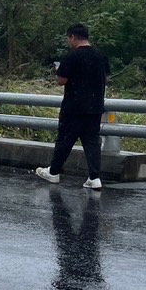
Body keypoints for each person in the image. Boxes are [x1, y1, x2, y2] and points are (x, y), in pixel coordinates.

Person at [35, 23, 109, 189]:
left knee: (65, 140)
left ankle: (53, 172)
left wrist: (59, 70)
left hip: (74, 107)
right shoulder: (100, 56)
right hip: (95, 107)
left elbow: (62, 80)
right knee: (92, 142)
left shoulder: (72, 56)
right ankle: (94, 177)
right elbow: (104, 78)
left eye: (69, 38)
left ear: (73, 37)